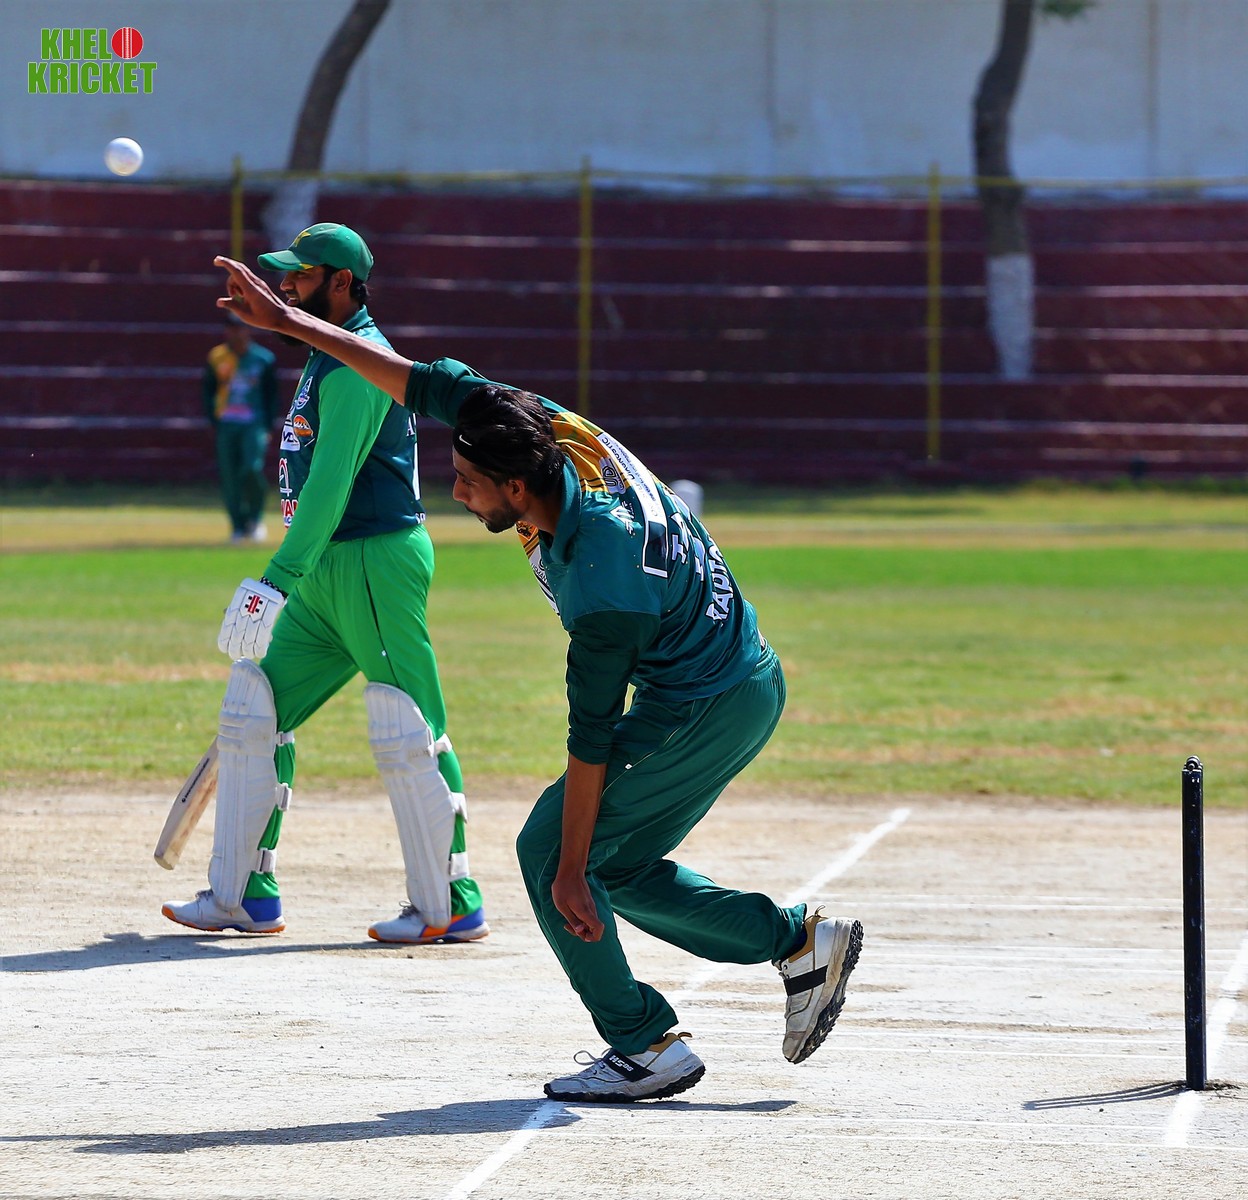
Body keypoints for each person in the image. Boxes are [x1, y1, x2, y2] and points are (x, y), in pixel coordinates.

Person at [213, 253, 864, 1102]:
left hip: (710, 701)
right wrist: (293, 324)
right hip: (724, 678)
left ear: (516, 487)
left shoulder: (601, 577)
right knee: (616, 867)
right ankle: (796, 945)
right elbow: (418, 381)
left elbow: (591, 734)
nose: (456, 495)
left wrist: (566, 872)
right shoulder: (528, 424)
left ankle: (644, 1046)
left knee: (555, 852)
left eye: (466, 484)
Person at [163, 225, 487, 946]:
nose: (287, 287)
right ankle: (243, 896)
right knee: (254, 711)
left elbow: (331, 485)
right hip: (327, 567)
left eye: (302, 277)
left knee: (407, 724)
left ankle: (452, 902)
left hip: (373, 559)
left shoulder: (361, 363)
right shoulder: (324, 357)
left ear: (343, 284)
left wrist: (276, 578)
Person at [203, 314, 278, 542]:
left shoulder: (263, 359)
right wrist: (213, 420)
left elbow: (271, 394)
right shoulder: (217, 357)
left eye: (240, 328)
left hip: (253, 423)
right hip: (227, 423)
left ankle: (255, 519)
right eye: (231, 328)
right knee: (229, 476)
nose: (236, 333)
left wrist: (268, 426)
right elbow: (208, 391)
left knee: (251, 468)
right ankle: (237, 525)